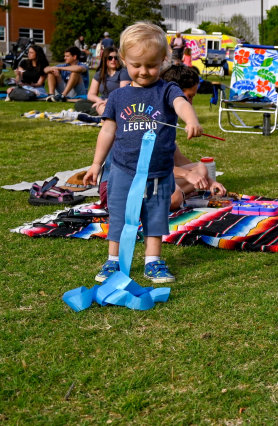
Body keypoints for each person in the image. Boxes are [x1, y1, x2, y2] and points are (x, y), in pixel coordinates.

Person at [83, 21, 204, 285]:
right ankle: (113, 260)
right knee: (120, 215)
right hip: (123, 170)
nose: (144, 71)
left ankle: (153, 261)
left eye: (151, 65)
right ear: (123, 60)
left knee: (155, 217)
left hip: (158, 172)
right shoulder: (117, 97)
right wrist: (96, 164)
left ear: (163, 60)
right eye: (136, 65)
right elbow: (107, 131)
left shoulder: (167, 90)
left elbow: (181, 104)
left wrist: (191, 119)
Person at [162, 65, 229, 209]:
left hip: (161, 177)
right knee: (175, 196)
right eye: (189, 97)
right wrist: (187, 175)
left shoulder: (168, 120)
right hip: (142, 178)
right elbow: (151, 167)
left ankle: (179, 195)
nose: (191, 103)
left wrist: (209, 182)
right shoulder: (155, 120)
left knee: (201, 169)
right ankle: (179, 196)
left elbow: (178, 159)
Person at [81, 46, 130, 115]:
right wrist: (99, 100)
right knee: (80, 104)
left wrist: (108, 101)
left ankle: (98, 113)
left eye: (116, 58)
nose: (113, 60)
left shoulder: (123, 72)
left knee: (103, 107)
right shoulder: (100, 73)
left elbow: (123, 94)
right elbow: (91, 94)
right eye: (110, 58)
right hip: (102, 101)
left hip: (116, 101)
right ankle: (102, 112)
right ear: (104, 59)